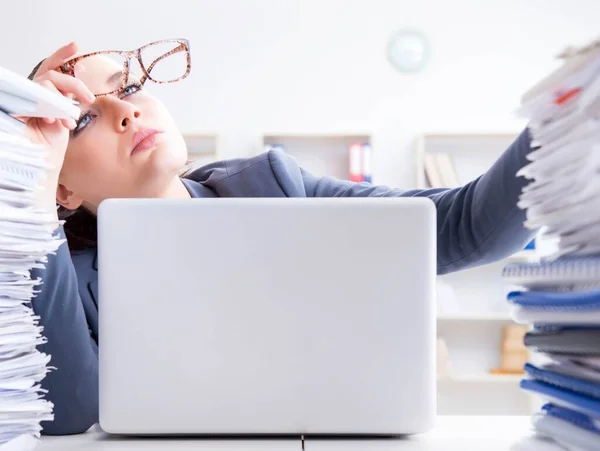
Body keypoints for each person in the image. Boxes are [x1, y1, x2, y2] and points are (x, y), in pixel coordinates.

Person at [24, 39, 536, 436]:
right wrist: (35, 191)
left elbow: (462, 226)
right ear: (63, 186)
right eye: (85, 119)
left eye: (128, 87)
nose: (126, 112)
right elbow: (66, 411)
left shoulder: (272, 186)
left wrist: (566, 112)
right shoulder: (59, 278)